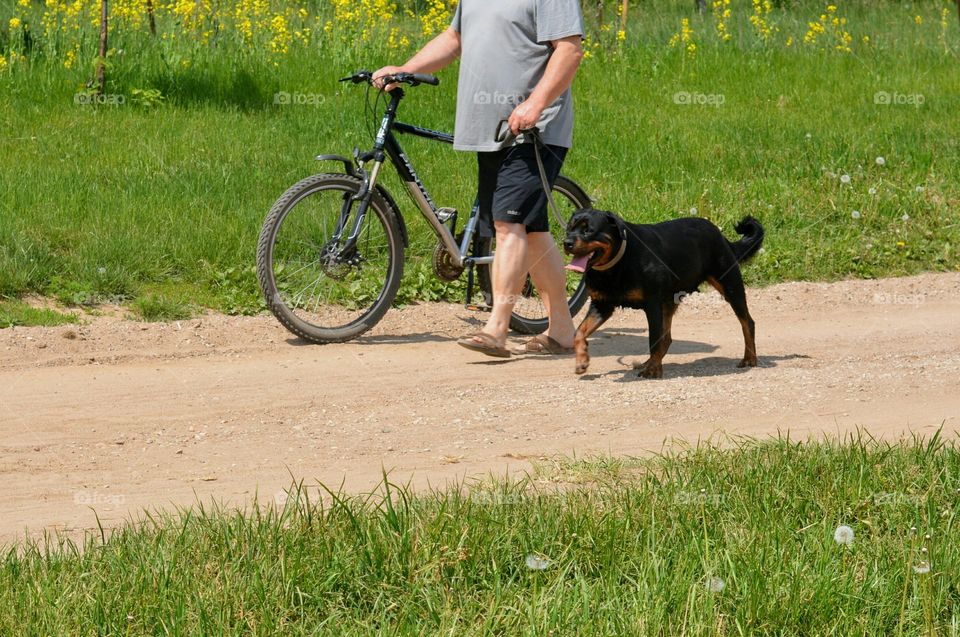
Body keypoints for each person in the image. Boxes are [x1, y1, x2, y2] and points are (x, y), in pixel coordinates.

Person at [374, 0, 585, 358]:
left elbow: (569, 51)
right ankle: (562, 329)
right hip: (492, 129)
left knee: (508, 224)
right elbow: (455, 37)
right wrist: (405, 69)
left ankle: (497, 328)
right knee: (530, 229)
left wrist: (535, 104)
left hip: (534, 129)